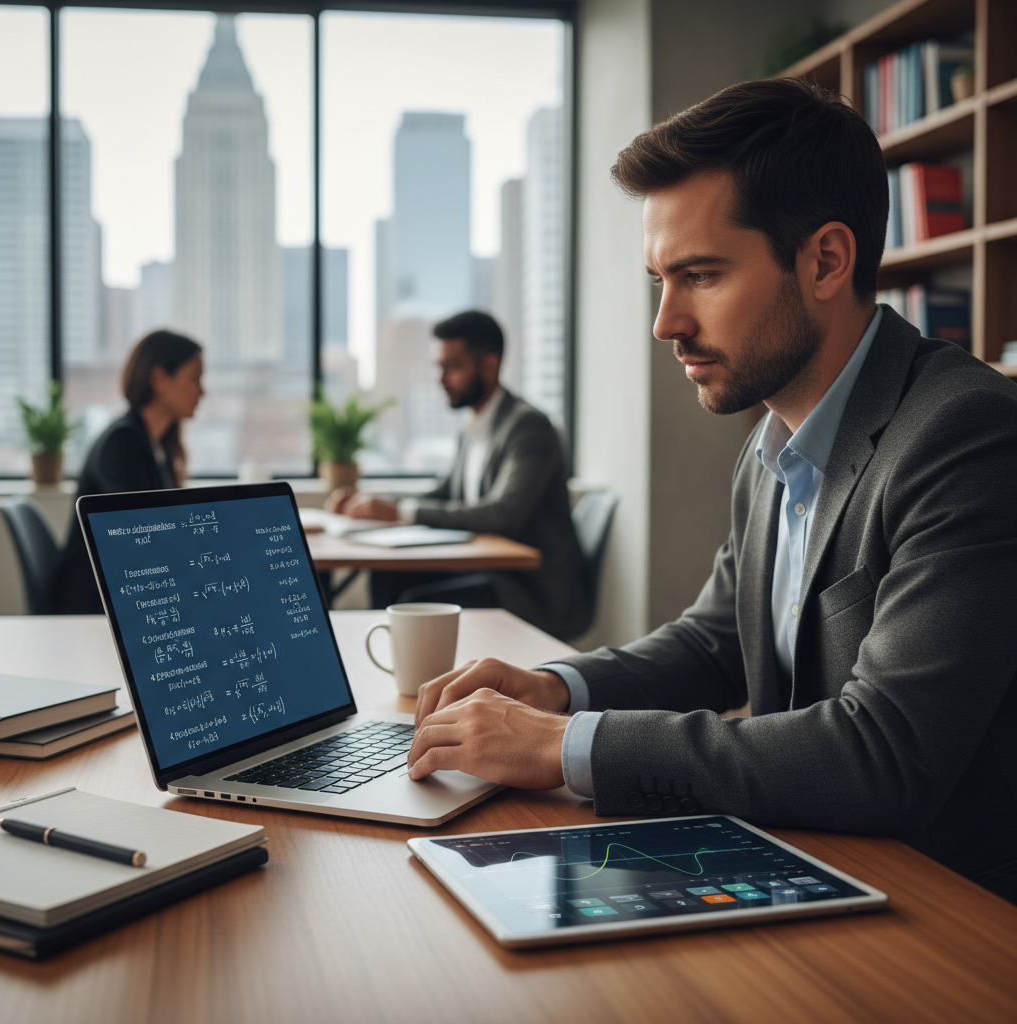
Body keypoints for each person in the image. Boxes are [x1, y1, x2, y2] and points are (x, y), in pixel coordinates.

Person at [402, 79, 1017, 903]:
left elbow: (885, 751)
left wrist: (564, 744)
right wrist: (555, 687)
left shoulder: (966, 433)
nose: (666, 323)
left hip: (947, 906)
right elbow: (714, 643)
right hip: (814, 862)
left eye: (699, 275)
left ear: (826, 260)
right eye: (660, 279)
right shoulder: (773, 443)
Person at [328, 310, 587, 639]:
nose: (440, 379)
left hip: (533, 590)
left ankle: (415, 682)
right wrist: (376, 506)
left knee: (413, 602)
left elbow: (502, 514)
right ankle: (402, 680)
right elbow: (446, 491)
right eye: (438, 366)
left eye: (452, 367)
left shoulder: (527, 427)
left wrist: (397, 512)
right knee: (386, 576)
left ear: (489, 366)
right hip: (490, 571)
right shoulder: (474, 425)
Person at [53, 330, 205, 614]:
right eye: (194, 378)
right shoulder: (122, 442)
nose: (202, 391)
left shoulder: (155, 445)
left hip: (126, 586)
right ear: (160, 379)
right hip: (94, 595)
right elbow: (144, 534)